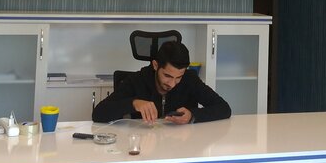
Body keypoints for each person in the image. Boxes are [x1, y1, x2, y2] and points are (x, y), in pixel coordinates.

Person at [92, 41, 230, 124]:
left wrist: (193, 116)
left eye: (178, 77)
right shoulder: (136, 80)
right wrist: (133, 103)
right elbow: (98, 114)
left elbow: (224, 108)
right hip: (144, 147)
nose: (172, 84)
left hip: (180, 147)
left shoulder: (190, 80)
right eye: (167, 76)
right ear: (155, 65)